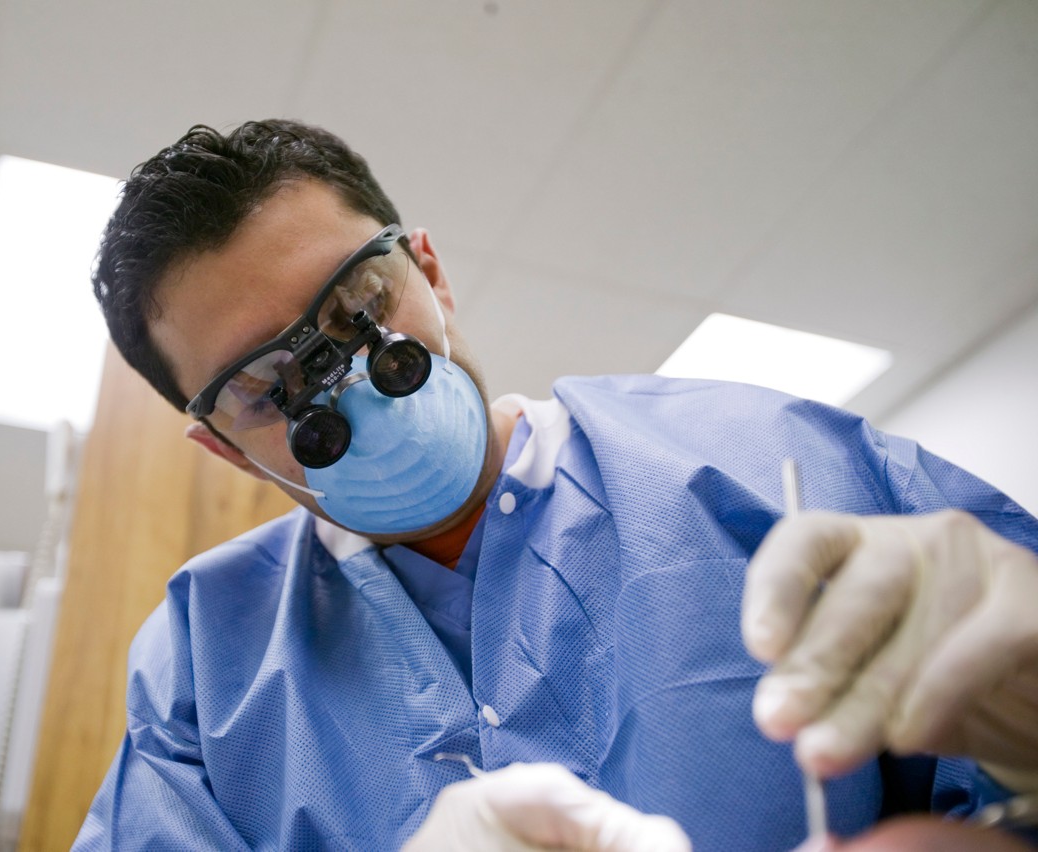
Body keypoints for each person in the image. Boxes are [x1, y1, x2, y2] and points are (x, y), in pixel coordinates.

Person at [73, 120, 1038, 850]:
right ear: (228, 451)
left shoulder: (765, 459)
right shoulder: (204, 666)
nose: (353, 388)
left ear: (431, 272)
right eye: (270, 389)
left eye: (359, 307)